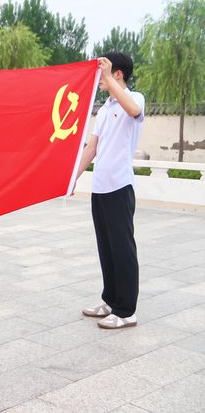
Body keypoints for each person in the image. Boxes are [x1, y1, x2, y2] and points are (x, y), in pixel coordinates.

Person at [74, 52, 145, 330]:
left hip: (120, 186)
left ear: (118, 74)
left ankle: (126, 311)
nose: (99, 79)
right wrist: (72, 179)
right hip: (100, 189)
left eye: (104, 73)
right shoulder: (103, 110)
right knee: (106, 248)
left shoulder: (134, 98)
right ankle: (111, 301)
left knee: (122, 248)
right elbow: (91, 147)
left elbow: (133, 110)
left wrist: (107, 77)